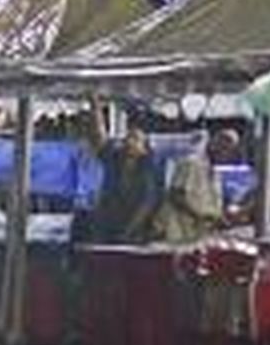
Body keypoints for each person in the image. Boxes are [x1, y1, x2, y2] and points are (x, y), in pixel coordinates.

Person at [84, 102, 160, 244]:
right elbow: (100, 138)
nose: (129, 141)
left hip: (135, 234)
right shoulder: (115, 158)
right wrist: (95, 106)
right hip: (105, 228)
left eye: (135, 139)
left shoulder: (149, 171)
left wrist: (128, 232)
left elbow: (146, 205)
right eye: (128, 137)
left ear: (144, 149)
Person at [152, 129, 238, 244]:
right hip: (178, 232)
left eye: (229, 149)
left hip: (198, 235)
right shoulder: (190, 163)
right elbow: (175, 195)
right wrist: (200, 216)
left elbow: (211, 207)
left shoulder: (215, 174)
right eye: (222, 145)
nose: (224, 151)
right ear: (212, 142)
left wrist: (219, 218)